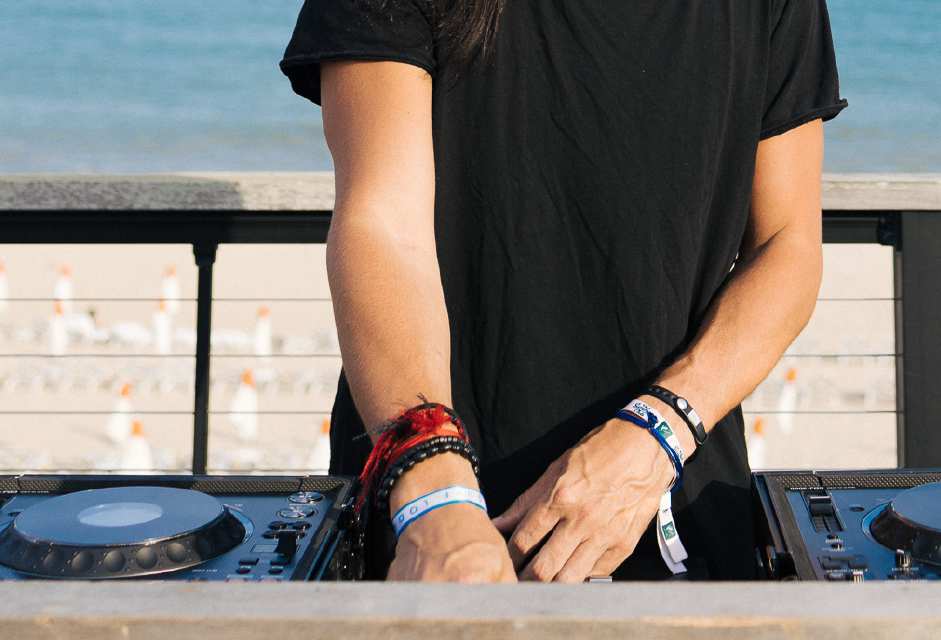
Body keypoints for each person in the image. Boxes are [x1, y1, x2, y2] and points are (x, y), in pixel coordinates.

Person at [281, 0, 846, 582]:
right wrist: (432, 484)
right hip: (429, 515)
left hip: (671, 495)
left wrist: (656, 435)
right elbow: (384, 224)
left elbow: (788, 245)